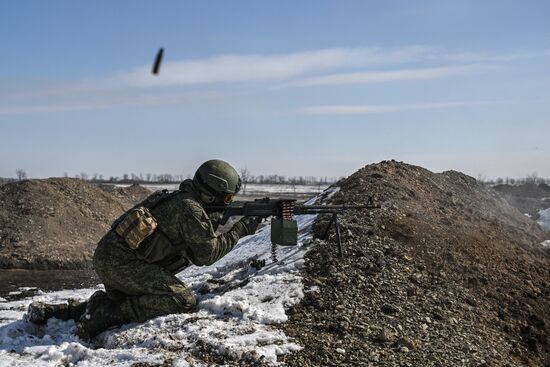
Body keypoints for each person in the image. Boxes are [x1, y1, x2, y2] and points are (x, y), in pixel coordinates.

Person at [26, 159, 259, 339]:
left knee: (128, 295)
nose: (228, 201)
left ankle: (55, 312)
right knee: (181, 299)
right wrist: (240, 230)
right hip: (122, 264)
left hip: (110, 258)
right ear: (210, 193)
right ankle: (105, 316)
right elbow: (207, 255)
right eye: (226, 196)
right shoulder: (191, 210)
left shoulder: (178, 199)